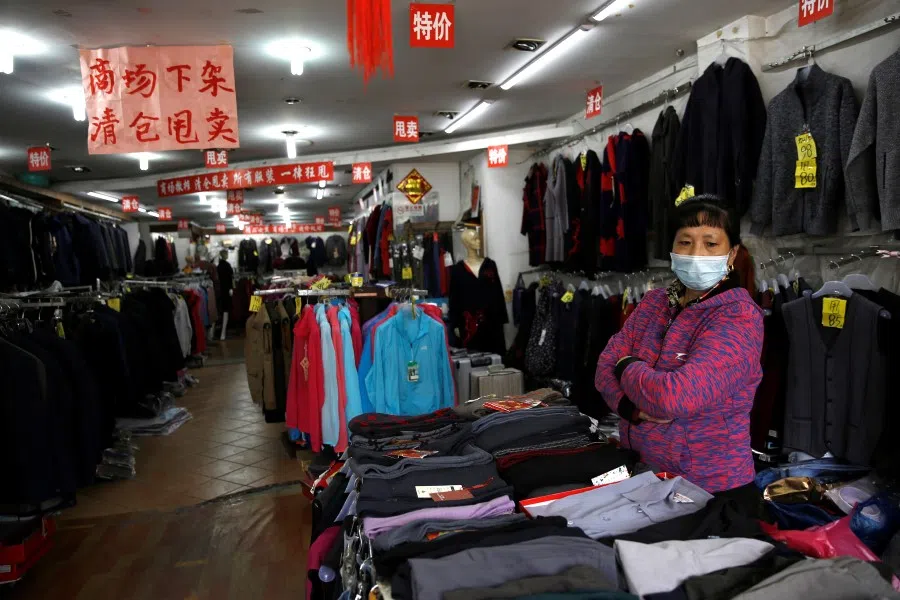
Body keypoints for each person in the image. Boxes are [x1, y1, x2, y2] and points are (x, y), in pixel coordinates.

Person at [595, 196, 764, 493]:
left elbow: (677, 396)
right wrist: (630, 408)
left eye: (711, 244)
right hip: (643, 473)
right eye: (685, 242)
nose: (696, 253)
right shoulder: (653, 303)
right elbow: (603, 369)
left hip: (708, 488)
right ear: (672, 249)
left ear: (732, 253)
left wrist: (627, 365)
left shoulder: (738, 316)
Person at [216, 249, 234, 341]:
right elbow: (230, 278)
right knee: (226, 310)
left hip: (220, 291)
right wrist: (231, 288)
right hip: (227, 290)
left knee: (222, 310)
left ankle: (222, 332)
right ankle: (223, 333)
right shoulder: (227, 266)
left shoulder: (218, 266)